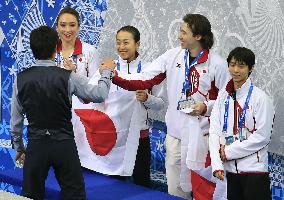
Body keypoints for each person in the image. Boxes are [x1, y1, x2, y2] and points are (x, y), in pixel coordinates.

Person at [108, 14, 230, 199]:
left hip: (203, 138)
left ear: (198, 36)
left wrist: (206, 107)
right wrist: (114, 75)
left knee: (204, 191)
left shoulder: (217, 65)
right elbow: (144, 78)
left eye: (183, 32)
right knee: (175, 192)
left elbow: (228, 101)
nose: (179, 36)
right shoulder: (172, 56)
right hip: (175, 135)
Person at [10, 25, 114, 200]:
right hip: (64, 144)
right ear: (55, 48)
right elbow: (99, 94)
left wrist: (19, 147)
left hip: (36, 145)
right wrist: (107, 72)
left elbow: (16, 121)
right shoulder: (68, 76)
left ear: (32, 48)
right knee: (75, 195)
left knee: (30, 195)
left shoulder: (20, 79)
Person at [83, 25, 166, 188]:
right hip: (113, 137)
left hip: (140, 137)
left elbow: (161, 105)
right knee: (112, 184)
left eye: (126, 42)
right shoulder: (107, 68)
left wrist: (147, 98)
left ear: (137, 44)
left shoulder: (150, 70)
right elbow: (90, 95)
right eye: (118, 42)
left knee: (141, 183)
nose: (121, 47)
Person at [209, 47, 274, 200]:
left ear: (251, 68)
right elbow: (214, 130)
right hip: (230, 170)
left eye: (241, 65)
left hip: (254, 170)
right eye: (232, 65)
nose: (235, 70)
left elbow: (262, 137)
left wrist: (230, 151)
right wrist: (217, 163)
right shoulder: (223, 96)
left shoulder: (260, 98)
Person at [55, 6, 99, 77]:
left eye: (72, 25)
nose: (67, 30)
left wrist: (74, 76)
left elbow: (94, 85)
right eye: (63, 25)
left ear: (78, 27)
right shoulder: (50, 50)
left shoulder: (90, 51)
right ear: (57, 28)